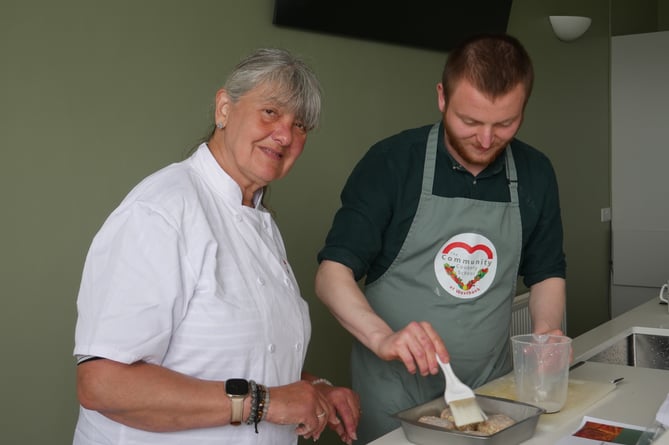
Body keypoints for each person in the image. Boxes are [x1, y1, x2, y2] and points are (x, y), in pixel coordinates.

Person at [73, 48, 360, 445]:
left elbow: (243, 354)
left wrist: (315, 392)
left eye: (300, 125)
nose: (285, 135)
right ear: (224, 108)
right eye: (271, 112)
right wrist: (267, 403)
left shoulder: (260, 221)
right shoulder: (160, 212)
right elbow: (102, 384)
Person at [315, 33, 567, 443]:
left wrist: (546, 334)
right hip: (394, 400)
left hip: (491, 393)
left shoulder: (536, 173)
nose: (486, 140)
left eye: (504, 123)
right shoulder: (393, 164)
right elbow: (331, 275)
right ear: (441, 98)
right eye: (470, 121)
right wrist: (383, 338)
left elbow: (547, 272)